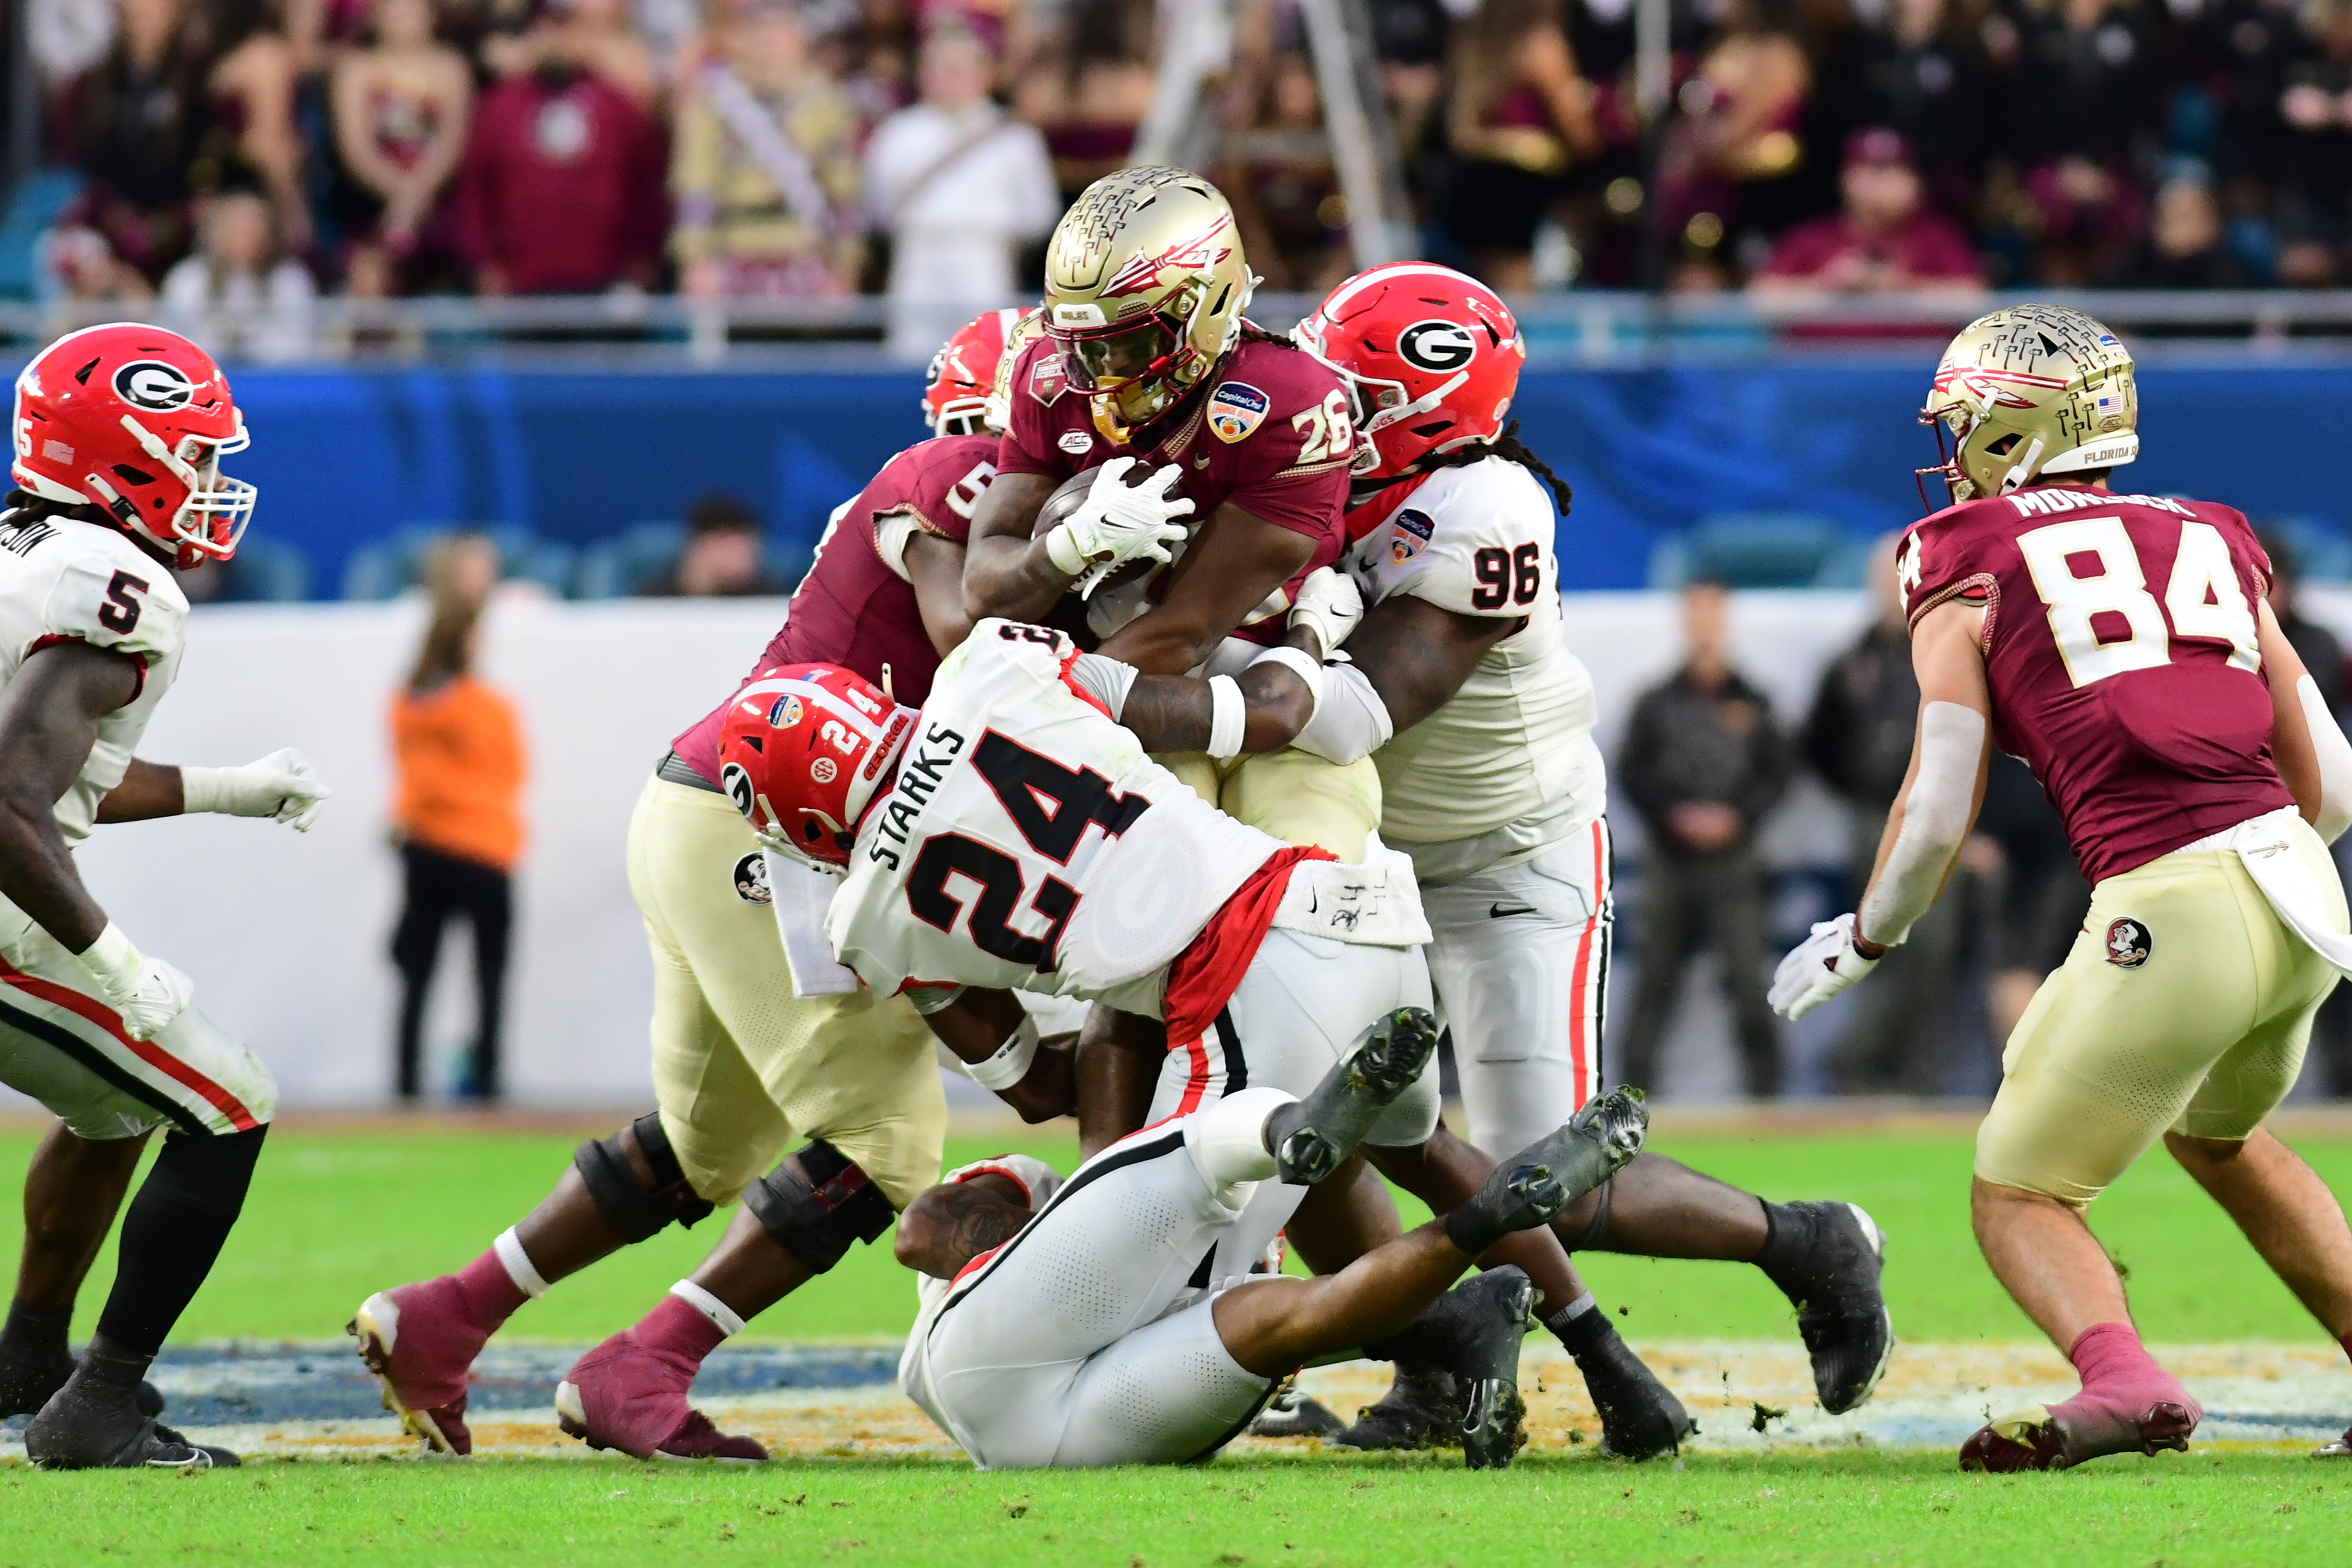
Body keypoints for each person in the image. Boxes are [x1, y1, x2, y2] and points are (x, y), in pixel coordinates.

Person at [1222, 263, 1892, 1453]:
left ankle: (1803, 1238)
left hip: (1506, 860)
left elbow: (1360, 712)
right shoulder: (1327, 476)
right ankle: (1432, 1359)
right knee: (1331, 1129)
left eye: (1355, 392)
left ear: (1427, 406)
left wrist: (1186, 681)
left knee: (1549, 1182)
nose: (1328, 411)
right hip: (1371, 863)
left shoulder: (1485, 509)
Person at [711, 630, 1643, 1470]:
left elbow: (1032, 1080)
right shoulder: (990, 665)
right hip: (1357, 906)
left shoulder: (867, 921)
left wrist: (1109, 996)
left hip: (1246, 982)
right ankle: (1607, 1355)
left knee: (1209, 1295)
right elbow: (1200, 699)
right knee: (1429, 1151)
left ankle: (1313, 1164)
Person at [349, 312, 1026, 1461]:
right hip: (777, 823)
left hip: (717, 807)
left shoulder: (944, 484)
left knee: (708, 1142)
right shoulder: (964, 483)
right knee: (883, 1132)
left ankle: (445, 1313)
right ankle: (643, 1362)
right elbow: (981, 640)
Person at [1770, 304, 2352, 1470]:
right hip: (2301, 888)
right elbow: (2328, 778)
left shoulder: (1958, 552)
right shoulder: (2213, 532)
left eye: (1968, 424)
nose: (1951, 451)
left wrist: (1864, 939)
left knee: (2018, 1189)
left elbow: (1937, 802)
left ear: (2018, 426)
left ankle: (2125, 1381)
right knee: (2219, 1136)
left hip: (2170, 893)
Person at [0, 323, 329, 1467]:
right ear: (120, 457)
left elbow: (55, 771)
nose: (207, 483)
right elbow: (10, 796)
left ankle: (31, 1359)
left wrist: (227, 789)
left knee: (120, 1102)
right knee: (226, 1095)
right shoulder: (112, 579)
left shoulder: (24, 552)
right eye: (190, 455)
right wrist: (111, 965)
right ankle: (97, 1403)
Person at [893, 1077, 1647, 1470]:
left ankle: (1483, 1216)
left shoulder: (1184, 1220)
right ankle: (1285, 1127)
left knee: (1297, 1319)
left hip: (1073, 1425)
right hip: (995, 1375)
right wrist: (1079, 1270)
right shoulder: (1070, 1194)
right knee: (1205, 1169)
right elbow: (920, 1234)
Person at [1800, 533, 1969, 1093]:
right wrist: (1859, 790)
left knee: (1933, 946)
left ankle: (1907, 1070)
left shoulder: (1950, 648)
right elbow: (1817, 744)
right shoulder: (1853, 664)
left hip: (1940, 816)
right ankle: (1863, 1061)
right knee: (1885, 940)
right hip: (1875, 819)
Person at [1618, 581, 1792, 1098]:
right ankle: (1628, 1096)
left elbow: (1777, 772)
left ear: (1725, 621)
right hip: (1670, 859)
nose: (1704, 625)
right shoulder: (1656, 700)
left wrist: (1737, 816)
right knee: (1654, 979)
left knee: (1746, 977)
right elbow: (1633, 771)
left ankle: (1769, 1095)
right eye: (1695, 614)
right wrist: (1674, 814)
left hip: (1735, 861)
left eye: (1712, 614)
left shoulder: (1754, 698)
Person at [388, 534, 526, 1104]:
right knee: (488, 975)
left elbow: (411, 773)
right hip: (485, 850)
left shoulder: (408, 702)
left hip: (425, 845)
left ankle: (406, 1083)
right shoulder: (488, 707)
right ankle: (488, 1081)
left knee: (417, 975)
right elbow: (514, 770)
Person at [862, 24, 1058, 357]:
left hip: (984, 258)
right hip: (918, 259)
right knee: (912, 356)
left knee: (989, 359)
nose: (950, 77)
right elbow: (876, 209)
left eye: (960, 67)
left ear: (984, 71)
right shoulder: (896, 133)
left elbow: (1040, 216)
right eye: (940, 67)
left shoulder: (1015, 139)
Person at [671, 0, 865, 299]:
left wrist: (844, 267)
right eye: (757, 28)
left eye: (778, 28)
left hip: (804, 249)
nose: (768, 39)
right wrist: (696, 260)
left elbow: (844, 195)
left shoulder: (826, 101)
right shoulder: (715, 99)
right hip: (734, 249)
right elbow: (697, 188)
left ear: (799, 35)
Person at [454, 45, 668, 295]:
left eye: (562, 27)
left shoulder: (617, 104)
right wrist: (484, 263)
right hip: (520, 283)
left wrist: (643, 257)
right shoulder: (499, 107)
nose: (553, 41)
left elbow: (647, 185)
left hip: (607, 280)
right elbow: (476, 189)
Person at [2263, 530, 2352, 1095]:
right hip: (2236, 827)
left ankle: (2342, 1086)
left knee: (2329, 952)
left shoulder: (2312, 641)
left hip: (2310, 824)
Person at [1438, 0, 1602, 292]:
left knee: (1484, 280)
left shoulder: (1476, 39)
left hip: (1472, 176)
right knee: (1517, 278)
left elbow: (1459, 128)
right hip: (1521, 180)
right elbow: (1579, 132)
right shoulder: (1539, 42)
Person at [328, 0, 475, 297]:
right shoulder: (357, 67)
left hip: (437, 200)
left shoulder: (451, 66)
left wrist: (417, 197)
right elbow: (356, 147)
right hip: (370, 201)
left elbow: (451, 141)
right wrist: (401, 195)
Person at [1748, 129, 1984, 300]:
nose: (1881, 184)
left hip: (1914, 363)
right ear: (1845, 179)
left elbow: (1974, 298)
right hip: (1820, 362)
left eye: (1893, 171)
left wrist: (1904, 285)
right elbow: (1760, 300)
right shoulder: (1811, 236)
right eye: (1870, 171)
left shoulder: (1937, 236)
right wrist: (1829, 283)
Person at [159, 188, 318, 364]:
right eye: (241, 231)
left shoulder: (290, 278)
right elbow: (175, 337)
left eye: (258, 230)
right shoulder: (189, 278)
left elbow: (300, 342)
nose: (252, 238)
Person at [638, 495, 783, 597]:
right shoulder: (655, 597)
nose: (743, 559)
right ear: (700, 546)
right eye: (730, 548)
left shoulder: (766, 594)